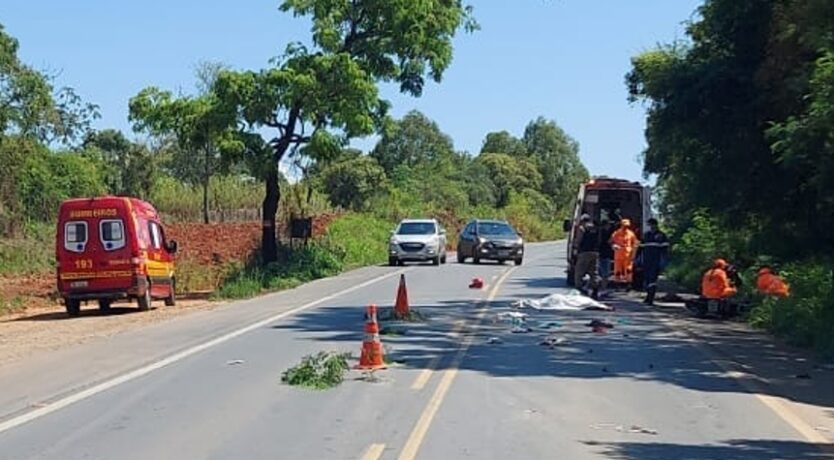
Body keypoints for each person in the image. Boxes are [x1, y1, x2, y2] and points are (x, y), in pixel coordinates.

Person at [636, 218, 669, 305]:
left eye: (651, 225)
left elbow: (665, 250)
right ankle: (648, 296)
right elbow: (640, 248)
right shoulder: (646, 235)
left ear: (655, 225)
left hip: (656, 260)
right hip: (647, 260)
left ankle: (651, 298)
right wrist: (638, 260)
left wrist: (663, 262)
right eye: (650, 225)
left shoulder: (661, 235)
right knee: (647, 279)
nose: (651, 227)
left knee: (652, 279)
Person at [572, 214, 601, 298]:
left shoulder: (582, 228)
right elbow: (599, 240)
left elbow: (578, 240)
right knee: (594, 273)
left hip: (584, 252)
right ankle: (595, 291)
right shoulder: (595, 228)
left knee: (579, 272)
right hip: (595, 252)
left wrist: (575, 249)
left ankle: (580, 290)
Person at [610, 218, 639, 283]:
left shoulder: (631, 234)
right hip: (618, 254)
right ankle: (617, 283)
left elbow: (636, 243)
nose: (626, 227)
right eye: (624, 226)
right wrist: (613, 246)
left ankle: (629, 284)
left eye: (627, 226)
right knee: (617, 270)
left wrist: (634, 253)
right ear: (621, 225)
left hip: (628, 255)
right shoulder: (616, 233)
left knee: (629, 269)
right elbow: (610, 242)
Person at [597, 218, 615, 294]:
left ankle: (598, 287)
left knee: (600, 272)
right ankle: (603, 289)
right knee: (605, 274)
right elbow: (608, 242)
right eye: (608, 225)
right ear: (606, 225)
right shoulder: (605, 233)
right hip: (604, 254)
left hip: (600, 254)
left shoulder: (599, 232)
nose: (609, 226)